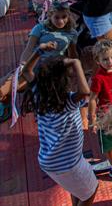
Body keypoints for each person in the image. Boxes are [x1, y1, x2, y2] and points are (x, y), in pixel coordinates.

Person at [21, 55, 98, 206]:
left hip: (49, 160)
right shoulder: (66, 101)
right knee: (90, 192)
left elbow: (26, 71)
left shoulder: (39, 94)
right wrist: (76, 62)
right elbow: (84, 91)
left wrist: (39, 51)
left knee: (77, 189)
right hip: (69, 163)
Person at [87, 40, 112, 181]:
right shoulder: (98, 78)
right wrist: (92, 118)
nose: (110, 62)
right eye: (105, 59)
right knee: (109, 141)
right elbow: (92, 99)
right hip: (107, 116)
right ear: (98, 61)